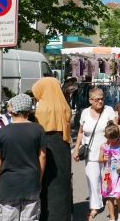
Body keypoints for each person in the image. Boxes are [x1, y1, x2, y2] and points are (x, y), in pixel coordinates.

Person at [0, 94, 47, 221]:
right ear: (29, 110)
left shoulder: (1, 132)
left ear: (10, 109)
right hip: (31, 182)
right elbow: (42, 157)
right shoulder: (38, 129)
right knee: (30, 217)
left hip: (8, 184)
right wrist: (39, 179)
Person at [32, 76, 72, 221]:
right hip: (64, 149)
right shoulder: (64, 106)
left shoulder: (41, 109)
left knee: (47, 186)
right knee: (63, 185)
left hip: (47, 150)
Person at [73, 88, 116, 220]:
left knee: (108, 180)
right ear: (90, 100)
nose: (100, 101)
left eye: (102, 98)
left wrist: (117, 125)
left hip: (107, 153)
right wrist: (76, 148)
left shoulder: (108, 110)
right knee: (92, 180)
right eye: (97, 99)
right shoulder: (85, 112)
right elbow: (80, 132)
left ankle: (111, 203)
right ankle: (95, 206)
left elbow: (114, 128)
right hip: (90, 153)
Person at [99, 121, 120, 221]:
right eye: (109, 138)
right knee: (109, 197)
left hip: (118, 174)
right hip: (107, 174)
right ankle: (112, 217)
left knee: (118, 196)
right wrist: (103, 159)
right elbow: (100, 159)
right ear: (105, 136)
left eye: (114, 138)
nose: (112, 140)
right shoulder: (103, 146)